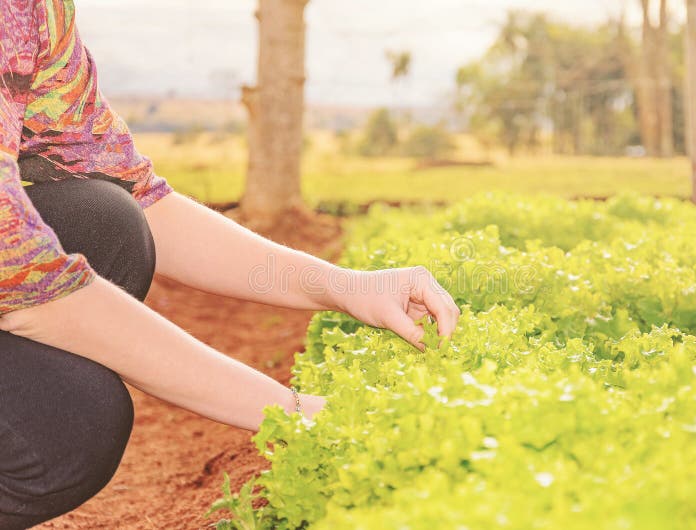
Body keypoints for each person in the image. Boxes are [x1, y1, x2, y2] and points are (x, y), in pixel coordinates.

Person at [0, 1, 460, 528]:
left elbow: (140, 196)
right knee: (67, 422)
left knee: (109, 220)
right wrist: (299, 413)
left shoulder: (35, 12)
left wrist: (340, 285)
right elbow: (34, 291)